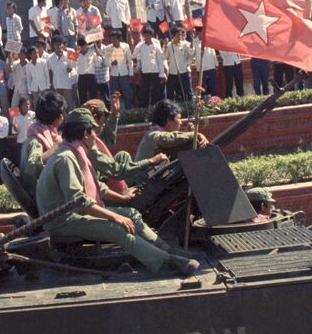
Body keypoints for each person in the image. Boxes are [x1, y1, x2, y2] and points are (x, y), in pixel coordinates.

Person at [36, 109, 199, 277]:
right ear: (85, 134)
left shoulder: (73, 152)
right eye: (94, 131)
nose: (95, 136)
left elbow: (95, 186)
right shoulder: (66, 158)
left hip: (73, 214)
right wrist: (115, 217)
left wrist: (122, 200)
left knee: (131, 214)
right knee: (118, 229)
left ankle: (166, 249)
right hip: (63, 221)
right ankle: (166, 262)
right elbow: (79, 201)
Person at [82, 97, 168, 191]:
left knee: (123, 156)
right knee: (143, 190)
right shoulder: (87, 144)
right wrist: (150, 161)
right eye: (104, 116)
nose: (104, 123)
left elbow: (107, 139)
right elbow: (115, 170)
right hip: (98, 190)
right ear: (94, 117)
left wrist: (114, 114)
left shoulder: (88, 136)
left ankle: (130, 186)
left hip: (102, 179)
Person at [18, 89, 66, 199]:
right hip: (42, 197)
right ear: (57, 117)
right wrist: (56, 146)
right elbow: (33, 166)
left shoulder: (45, 133)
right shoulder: (37, 139)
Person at [135, 99, 208, 161]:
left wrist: (191, 134)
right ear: (169, 120)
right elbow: (167, 139)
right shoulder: (152, 135)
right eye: (179, 118)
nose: (181, 122)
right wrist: (195, 135)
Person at [132, 26, 166, 107]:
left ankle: (155, 109)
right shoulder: (140, 46)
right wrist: (139, 43)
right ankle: (144, 110)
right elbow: (133, 56)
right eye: (145, 35)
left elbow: (160, 61)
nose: (147, 37)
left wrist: (162, 74)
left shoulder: (156, 46)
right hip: (145, 72)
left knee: (155, 93)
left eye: (148, 35)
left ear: (151, 35)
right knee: (144, 93)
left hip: (155, 72)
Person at [164, 27, 194, 102]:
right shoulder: (169, 45)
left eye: (180, 35)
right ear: (173, 36)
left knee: (188, 91)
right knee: (174, 92)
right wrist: (165, 46)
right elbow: (164, 57)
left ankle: (191, 106)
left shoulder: (185, 44)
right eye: (178, 35)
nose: (180, 37)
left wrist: (187, 64)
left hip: (184, 71)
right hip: (173, 72)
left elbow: (191, 55)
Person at [106, 30, 134, 109]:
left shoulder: (126, 46)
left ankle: (128, 111)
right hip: (114, 75)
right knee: (114, 95)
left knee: (126, 94)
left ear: (119, 39)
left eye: (115, 39)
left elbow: (130, 61)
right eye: (112, 39)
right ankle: (115, 111)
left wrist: (131, 73)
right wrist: (111, 63)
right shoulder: (108, 48)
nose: (113, 40)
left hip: (124, 73)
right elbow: (105, 61)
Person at [48, 37, 77, 108]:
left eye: (60, 44)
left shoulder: (69, 54)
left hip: (67, 85)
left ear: (63, 45)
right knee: (59, 106)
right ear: (53, 45)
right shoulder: (50, 57)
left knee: (69, 106)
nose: (59, 46)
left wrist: (70, 69)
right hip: (57, 86)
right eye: (56, 44)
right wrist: (51, 85)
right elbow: (50, 71)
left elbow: (75, 66)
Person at [11, 97, 35, 165]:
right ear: (21, 106)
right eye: (25, 104)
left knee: (32, 161)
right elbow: (13, 131)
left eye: (28, 104)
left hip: (31, 142)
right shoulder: (16, 115)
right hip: (20, 142)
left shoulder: (33, 114)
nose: (28, 106)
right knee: (22, 161)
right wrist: (15, 129)